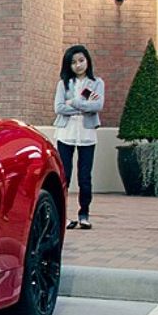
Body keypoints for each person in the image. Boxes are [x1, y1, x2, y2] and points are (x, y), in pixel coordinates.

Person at [53, 44, 103, 230]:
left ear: (87, 61)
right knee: (64, 176)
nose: (78, 65)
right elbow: (59, 108)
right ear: (69, 65)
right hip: (66, 134)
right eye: (73, 62)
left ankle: (84, 214)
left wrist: (73, 102)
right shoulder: (63, 83)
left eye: (81, 61)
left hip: (87, 134)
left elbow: (97, 106)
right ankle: (63, 216)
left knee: (84, 177)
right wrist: (84, 105)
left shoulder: (97, 82)